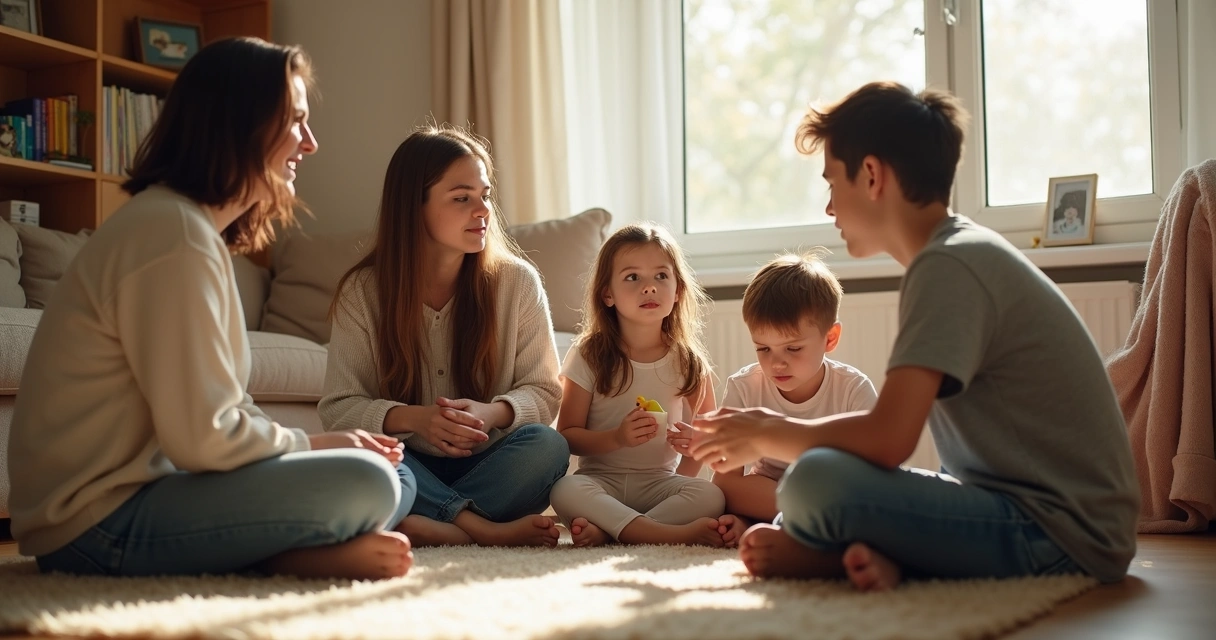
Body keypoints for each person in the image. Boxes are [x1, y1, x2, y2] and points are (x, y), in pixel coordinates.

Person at [690, 81, 1139, 591]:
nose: (829, 208)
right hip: (1028, 510)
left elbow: (888, 440)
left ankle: (838, 556)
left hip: (1067, 532)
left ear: (873, 176)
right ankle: (887, 556)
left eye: (833, 183)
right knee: (818, 473)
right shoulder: (955, 254)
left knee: (812, 482)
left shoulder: (948, 266)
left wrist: (766, 431)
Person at [7, 37, 415, 581]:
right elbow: (202, 438)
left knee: (385, 474)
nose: (311, 143)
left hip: (132, 500)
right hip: (91, 525)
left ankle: (286, 551)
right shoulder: (172, 235)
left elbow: (229, 408)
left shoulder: (189, 230)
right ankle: (287, 558)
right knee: (370, 483)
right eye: (295, 121)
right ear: (242, 123)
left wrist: (321, 445)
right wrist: (316, 443)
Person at [320, 125, 569, 548]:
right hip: (407, 461)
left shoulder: (517, 283)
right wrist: (414, 419)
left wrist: (493, 414)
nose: (482, 210)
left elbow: (545, 391)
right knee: (363, 458)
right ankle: (481, 530)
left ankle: (432, 524)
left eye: (485, 195)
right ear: (413, 207)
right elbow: (339, 409)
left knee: (548, 446)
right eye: (461, 198)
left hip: (492, 460)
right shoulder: (362, 293)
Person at [548, 223, 742, 548]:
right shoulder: (589, 354)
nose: (649, 288)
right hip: (600, 483)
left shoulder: (689, 361)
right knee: (564, 490)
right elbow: (567, 436)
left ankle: (614, 531)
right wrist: (617, 437)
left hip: (660, 485)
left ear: (678, 290)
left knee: (710, 494)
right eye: (632, 277)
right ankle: (660, 533)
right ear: (607, 294)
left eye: (661, 276)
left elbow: (710, 436)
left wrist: (694, 446)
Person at [713, 252, 877, 526]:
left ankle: (788, 523)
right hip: (772, 488)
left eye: (793, 348)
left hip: (831, 487)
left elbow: (871, 471)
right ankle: (803, 520)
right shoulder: (744, 387)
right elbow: (725, 479)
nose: (777, 363)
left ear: (830, 338)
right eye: (763, 349)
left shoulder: (853, 388)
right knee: (720, 490)